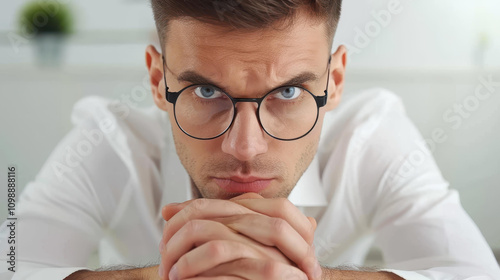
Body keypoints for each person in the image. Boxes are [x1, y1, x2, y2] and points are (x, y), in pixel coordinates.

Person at [1, 0, 500, 279]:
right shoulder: (108, 142)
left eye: (288, 91)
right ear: (157, 79)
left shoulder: (372, 136)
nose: (246, 147)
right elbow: (11, 262)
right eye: (206, 90)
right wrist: (162, 278)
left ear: (335, 80)